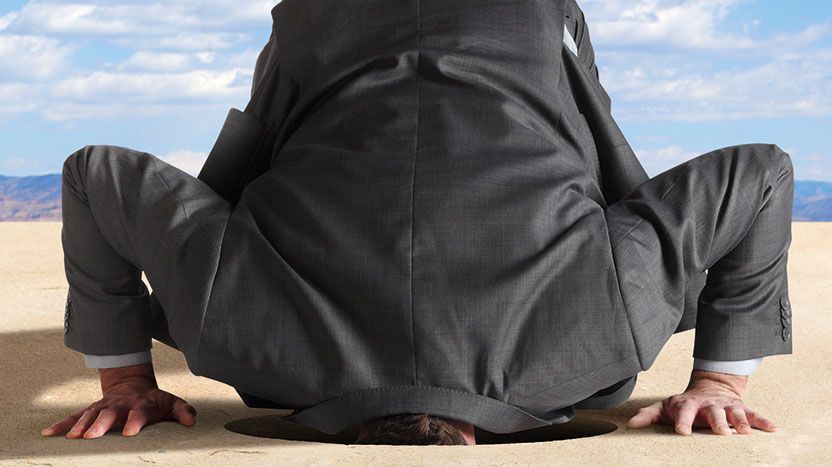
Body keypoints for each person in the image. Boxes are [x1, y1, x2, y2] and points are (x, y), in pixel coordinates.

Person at [42, 0, 793, 445]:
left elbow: (758, 171)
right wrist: (128, 377)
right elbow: (95, 171)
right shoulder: (235, 328)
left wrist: (718, 375)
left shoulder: (603, 331)